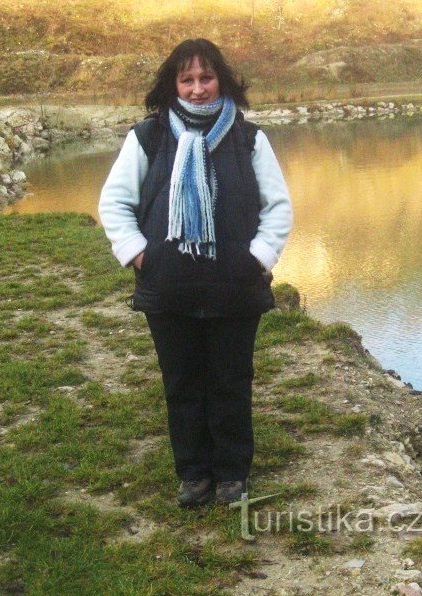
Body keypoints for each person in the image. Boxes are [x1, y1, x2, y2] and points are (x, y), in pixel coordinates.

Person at [98, 38, 293, 507]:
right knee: (182, 381)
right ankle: (193, 474)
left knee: (230, 380)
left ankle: (231, 474)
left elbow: (278, 207)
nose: (199, 88)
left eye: (207, 78)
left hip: (235, 285)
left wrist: (257, 259)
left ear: (223, 82)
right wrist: (143, 256)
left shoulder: (248, 138)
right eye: (188, 79)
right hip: (169, 286)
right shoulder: (148, 137)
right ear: (173, 85)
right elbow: (115, 203)